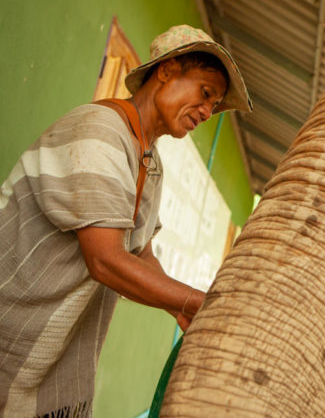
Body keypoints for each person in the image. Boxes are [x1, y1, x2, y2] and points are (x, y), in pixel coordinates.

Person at [0, 24, 252, 417]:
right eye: (205, 94)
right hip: (10, 332)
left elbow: (139, 255)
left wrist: (180, 309)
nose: (207, 112)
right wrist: (197, 302)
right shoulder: (100, 131)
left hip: (40, 359)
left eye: (215, 105)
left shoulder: (150, 162)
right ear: (166, 70)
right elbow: (105, 260)